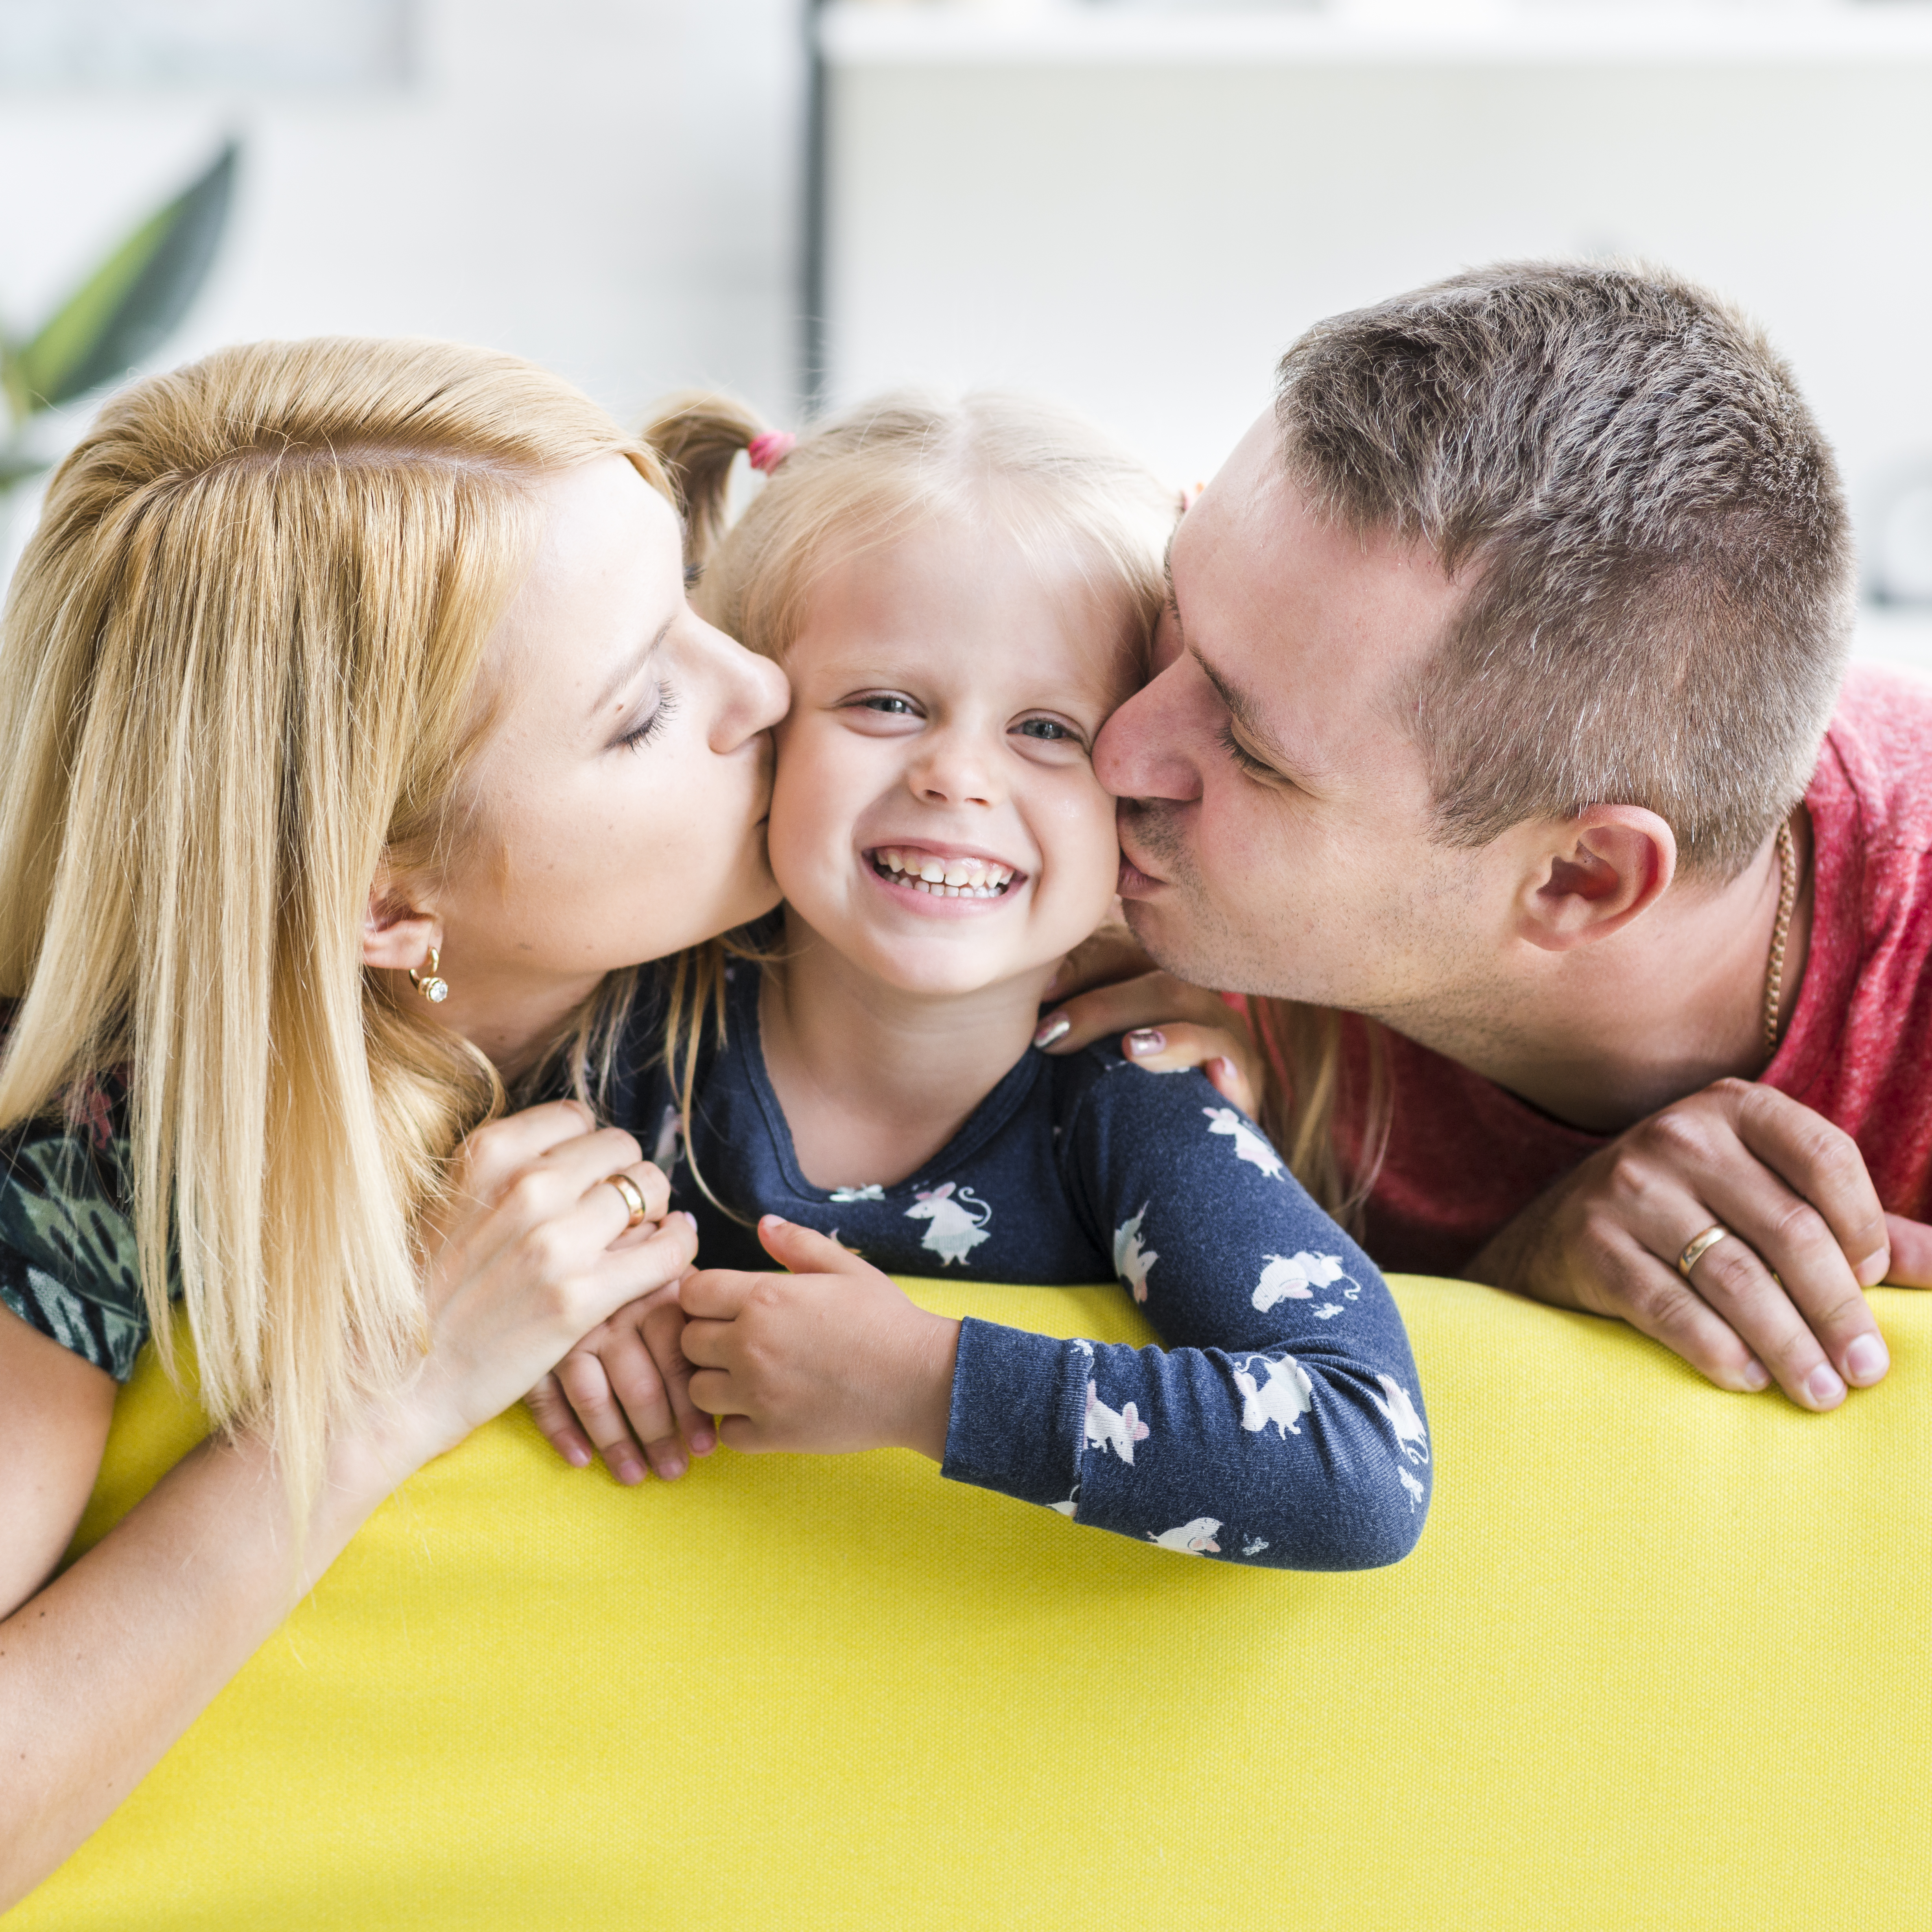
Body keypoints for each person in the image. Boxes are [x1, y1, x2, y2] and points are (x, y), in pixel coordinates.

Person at [0, 336, 791, 1909]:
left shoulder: (880, 886)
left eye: (700, 595)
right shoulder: (97, 1154)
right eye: (641, 709)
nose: (765, 686)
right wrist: (383, 1392)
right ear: (381, 897)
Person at [523, 391, 1431, 1567]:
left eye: (1050, 729)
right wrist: (547, 1305)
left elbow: (1358, 1465)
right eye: (887, 703)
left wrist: (917, 1383)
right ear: (760, 719)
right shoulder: (613, 1033)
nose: (957, 775)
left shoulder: (1133, 1111)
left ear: (1141, 789)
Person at [1038, 260, 1932, 1415]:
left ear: (1580, 878)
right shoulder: (1085, 817)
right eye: (1177, 604)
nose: (1115, 751)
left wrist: (1519, 1299)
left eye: (1250, 751)